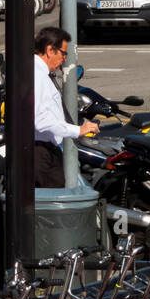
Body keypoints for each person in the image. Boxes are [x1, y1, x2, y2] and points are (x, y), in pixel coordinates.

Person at [33, 27, 98, 188]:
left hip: (44, 150)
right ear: (49, 50)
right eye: (63, 53)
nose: (64, 59)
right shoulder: (36, 75)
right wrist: (78, 130)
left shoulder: (40, 73)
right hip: (39, 152)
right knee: (52, 205)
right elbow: (40, 120)